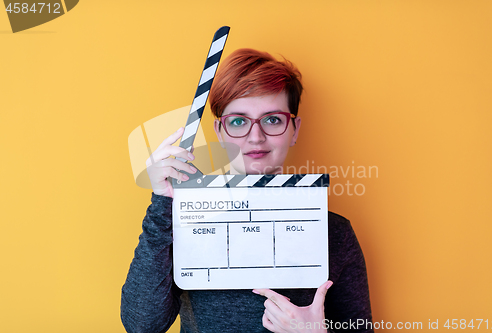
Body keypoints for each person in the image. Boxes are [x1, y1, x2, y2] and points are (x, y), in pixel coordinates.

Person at [121, 49, 373, 333]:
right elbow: (142, 325)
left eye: (272, 119)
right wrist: (162, 204)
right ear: (219, 132)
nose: (256, 136)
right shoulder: (184, 220)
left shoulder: (335, 234)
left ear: (295, 129)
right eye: (239, 121)